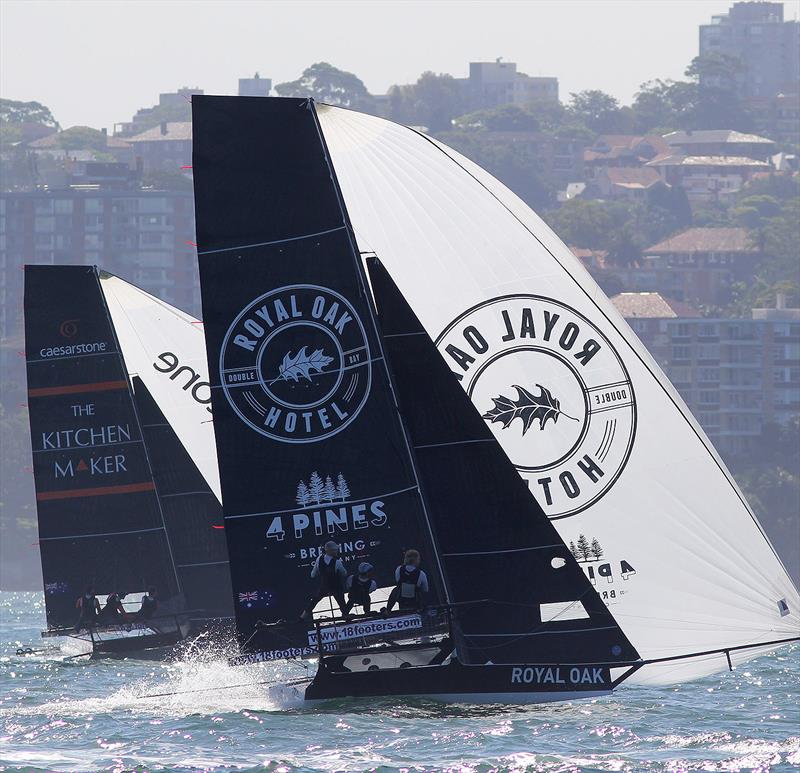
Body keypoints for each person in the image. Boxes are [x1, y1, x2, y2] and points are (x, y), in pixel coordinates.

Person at [300, 541, 348, 621]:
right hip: (336, 586)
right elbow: (344, 573)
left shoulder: (319, 559)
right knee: (341, 602)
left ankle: (302, 617)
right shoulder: (337, 562)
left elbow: (313, 574)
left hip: (324, 586)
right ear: (331, 551)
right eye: (336, 549)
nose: (337, 551)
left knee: (314, 601)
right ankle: (346, 616)